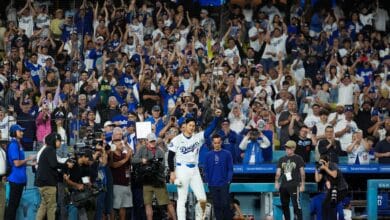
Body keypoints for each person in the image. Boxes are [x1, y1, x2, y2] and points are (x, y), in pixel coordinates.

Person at [168, 109, 222, 220]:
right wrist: (172, 172)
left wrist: (216, 118)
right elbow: (170, 156)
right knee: (182, 199)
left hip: (194, 170)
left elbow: (210, 130)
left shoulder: (198, 137)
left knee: (202, 198)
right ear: (185, 126)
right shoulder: (177, 139)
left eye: (193, 126)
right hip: (182, 169)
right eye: (190, 125)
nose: (192, 127)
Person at [132, 133, 172, 220]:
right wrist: (142, 160)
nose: (153, 143)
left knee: (166, 202)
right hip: (147, 180)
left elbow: (163, 167)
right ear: (147, 141)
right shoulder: (142, 149)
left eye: (154, 141)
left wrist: (155, 165)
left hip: (158, 180)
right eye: (151, 141)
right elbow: (133, 160)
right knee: (148, 203)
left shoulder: (160, 151)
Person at [5, 124, 36, 220]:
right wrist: (28, 159)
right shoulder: (14, 145)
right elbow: (17, 163)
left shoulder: (18, 144)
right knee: (12, 206)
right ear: (14, 133)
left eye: (22, 131)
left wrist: (30, 164)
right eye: (20, 131)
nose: (22, 132)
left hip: (20, 180)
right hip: (15, 179)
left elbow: (20, 163)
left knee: (15, 206)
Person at [204, 134, 233, 220]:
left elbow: (230, 168)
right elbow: (206, 169)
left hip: (224, 183)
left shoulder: (227, 154)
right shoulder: (208, 155)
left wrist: (228, 180)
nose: (217, 144)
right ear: (212, 143)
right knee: (216, 205)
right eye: (215, 143)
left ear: (221, 142)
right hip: (212, 184)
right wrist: (208, 181)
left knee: (225, 204)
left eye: (218, 142)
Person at [275, 140, 305, 220]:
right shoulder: (282, 159)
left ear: (293, 148)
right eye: (286, 148)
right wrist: (277, 182)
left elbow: (302, 173)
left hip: (293, 185)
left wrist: (302, 185)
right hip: (285, 186)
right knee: (287, 205)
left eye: (289, 148)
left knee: (294, 205)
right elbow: (278, 173)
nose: (287, 150)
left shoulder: (298, 158)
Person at [35, 132, 61, 220]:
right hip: (48, 183)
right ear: (54, 141)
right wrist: (65, 165)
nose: (60, 143)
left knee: (43, 206)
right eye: (58, 140)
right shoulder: (50, 149)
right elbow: (54, 165)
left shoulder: (47, 149)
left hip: (43, 183)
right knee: (51, 208)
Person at [314, 154, 349, 220]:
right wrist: (316, 170)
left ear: (327, 162)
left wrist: (325, 168)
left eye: (323, 162)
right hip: (332, 189)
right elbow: (317, 179)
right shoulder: (323, 169)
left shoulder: (333, 165)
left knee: (332, 205)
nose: (321, 164)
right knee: (324, 205)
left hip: (342, 189)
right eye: (320, 162)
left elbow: (334, 175)